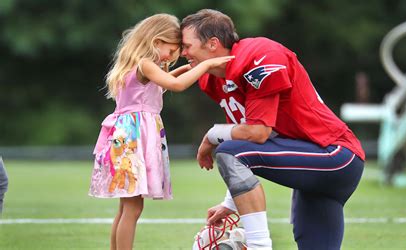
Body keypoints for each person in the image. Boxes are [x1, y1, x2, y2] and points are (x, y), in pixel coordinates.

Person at [181, 9, 365, 250]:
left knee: (228, 149)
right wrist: (231, 202)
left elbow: (258, 133)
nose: (183, 53)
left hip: (335, 156)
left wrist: (211, 136)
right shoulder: (217, 78)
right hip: (314, 169)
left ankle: (259, 246)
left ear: (213, 44)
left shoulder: (259, 56)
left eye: (186, 46)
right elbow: (246, 138)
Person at [88, 13, 233, 250]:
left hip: (125, 137)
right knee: (133, 208)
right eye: (171, 49)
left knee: (126, 207)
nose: (172, 56)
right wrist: (207, 64)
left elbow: (162, 83)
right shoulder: (146, 64)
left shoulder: (138, 65)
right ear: (156, 41)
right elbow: (175, 85)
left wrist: (187, 67)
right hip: (134, 140)